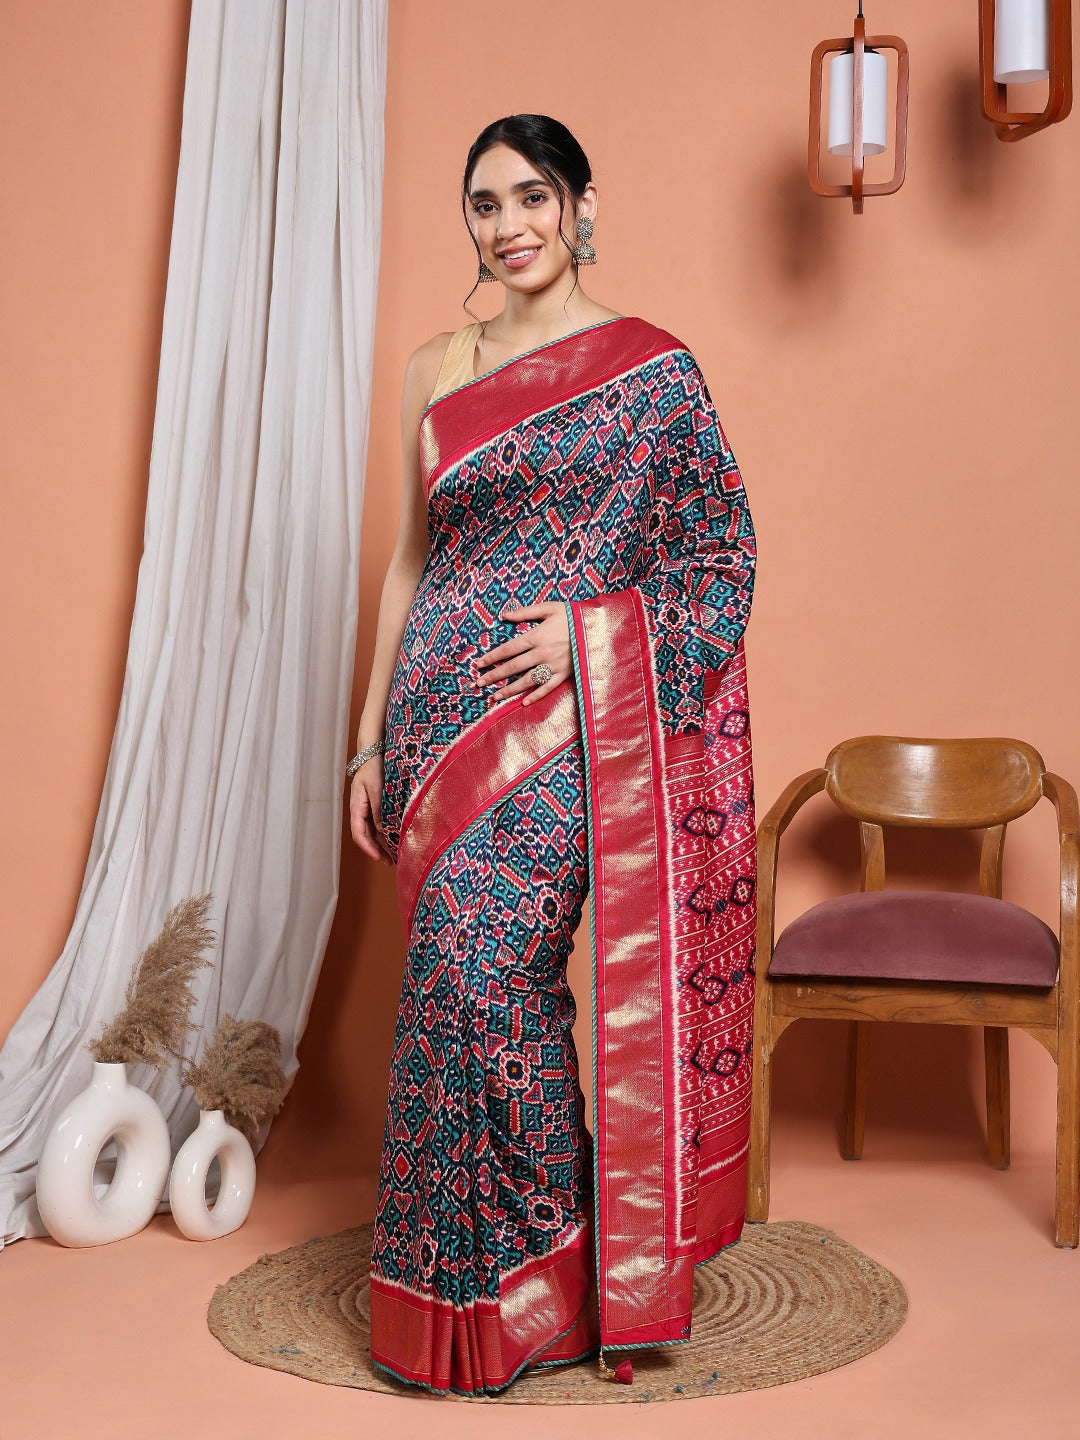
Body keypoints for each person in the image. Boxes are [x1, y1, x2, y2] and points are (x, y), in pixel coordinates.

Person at [348, 114, 757, 1397]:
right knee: (445, 993)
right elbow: (412, 563)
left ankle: (554, 1275)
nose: (510, 225)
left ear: (581, 206)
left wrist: (587, 641)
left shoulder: (653, 372)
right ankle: (458, 1308)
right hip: (434, 727)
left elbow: (718, 559)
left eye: (533, 196)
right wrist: (367, 741)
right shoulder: (436, 366)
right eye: (486, 204)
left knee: (497, 981)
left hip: (569, 733)